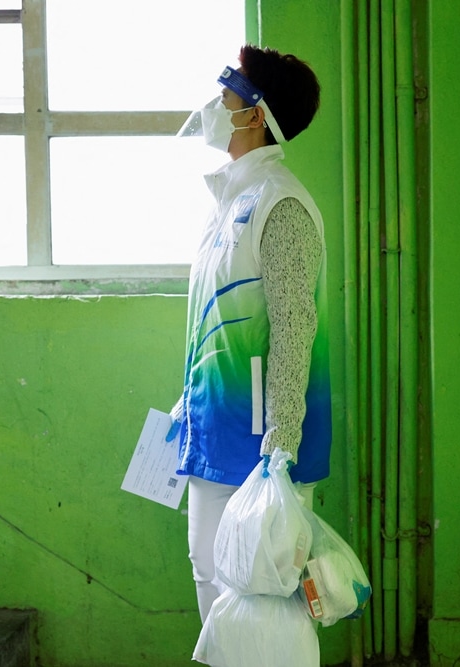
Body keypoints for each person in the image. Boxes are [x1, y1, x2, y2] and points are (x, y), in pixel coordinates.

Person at [169, 44, 331, 622]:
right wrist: (188, 402)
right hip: (215, 431)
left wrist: (281, 446)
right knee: (211, 581)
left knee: (265, 601)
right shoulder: (230, 203)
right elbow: (211, 324)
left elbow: (294, 328)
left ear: (255, 114)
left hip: (262, 444)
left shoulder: (280, 206)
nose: (215, 105)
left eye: (226, 96)